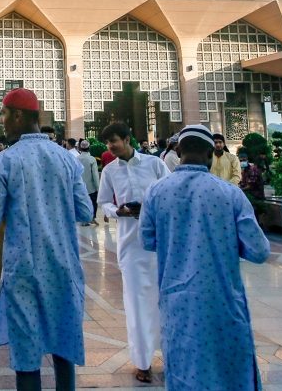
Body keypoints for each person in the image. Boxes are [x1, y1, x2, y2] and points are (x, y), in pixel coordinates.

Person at [140, 124, 269, 390]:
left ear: (178, 150)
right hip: (222, 303)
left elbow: (147, 241)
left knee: (185, 371)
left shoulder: (156, 192)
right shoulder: (230, 194)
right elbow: (259, 251)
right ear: (211, 153)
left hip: (179, 304)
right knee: (229, 373)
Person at [0, 88, 93, 391]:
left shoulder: (4, 162)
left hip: (23, 272)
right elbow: (85, 210)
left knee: (26, 352)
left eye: (4, 114)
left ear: (18, 115)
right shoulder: (67, 160)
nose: (1, 120)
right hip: (63, 267)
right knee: (63, 344)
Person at [97, 122, 169, 384]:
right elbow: (103, 202)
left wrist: (150, 208)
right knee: (137, 303)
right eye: (107, 143)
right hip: (130, 245)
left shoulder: (154, 165)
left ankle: (172, 355)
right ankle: (142, 362)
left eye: (113, 141)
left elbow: (169, 195)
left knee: (165, 301)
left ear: (127, 139)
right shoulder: (110, 171)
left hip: (161, 245)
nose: (110, 147)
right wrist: (120, 211)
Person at [76, 140, 100, 225]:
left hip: (80, 185)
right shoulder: (91, 159)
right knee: (93, 202)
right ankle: (92, 218)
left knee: (82, 202)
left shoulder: (77, 158)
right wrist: (98, 187)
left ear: (79, 148)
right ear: (89, 148)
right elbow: (95, 174)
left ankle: (84, 220)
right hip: (91, 186)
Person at [238, 150, 267, 218]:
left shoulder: (252, 170)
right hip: (249, 197)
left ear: (247, 160)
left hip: (255, 198)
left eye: (243, 160)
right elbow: (243, 183)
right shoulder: (244, 171)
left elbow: (250, 186)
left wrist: (239, 189)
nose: (242, 162)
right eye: (240, 161)